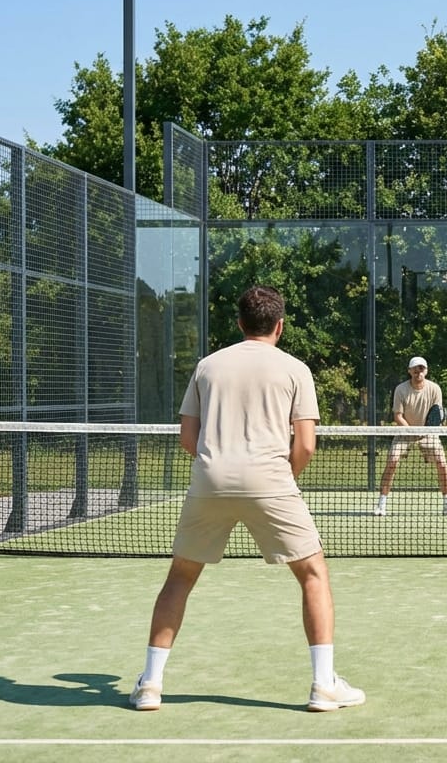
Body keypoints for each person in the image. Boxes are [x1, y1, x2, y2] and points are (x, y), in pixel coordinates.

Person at [130, 285, 364, 712]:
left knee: (180, 577)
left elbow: (188, 437)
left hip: (209, 480)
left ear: (240, 324)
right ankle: (323, 686)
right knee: (313, 573)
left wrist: (221, 467)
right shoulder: (295, 369)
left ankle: (150, 685)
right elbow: (306, 445)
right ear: (280, 324)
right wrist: (275, 480)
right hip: (271, 482)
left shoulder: (207, 366)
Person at [374, 356, 447, 516]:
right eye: (415, 369)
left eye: (421, 368)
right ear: (409, 371)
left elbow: (436, 416)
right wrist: (411, 431)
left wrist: (425, 431)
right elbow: (398, 416)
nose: (418, 372)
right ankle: (381, 505)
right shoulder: (400, 389)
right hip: (405, 432)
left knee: (442, 463)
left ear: (426, 371)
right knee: (392, 461)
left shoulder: (435, 389)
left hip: (428, 433)